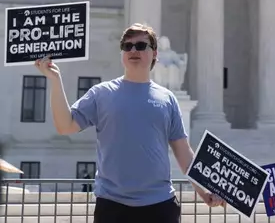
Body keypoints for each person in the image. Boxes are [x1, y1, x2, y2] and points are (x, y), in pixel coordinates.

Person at [34, 23, 224, 223]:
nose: (133, 50)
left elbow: (183, 153)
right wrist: (55, 80)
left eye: (141, 46)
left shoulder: (168, 98)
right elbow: (65, 126)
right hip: (112, 206)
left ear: (154, 53)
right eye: (127, 46)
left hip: (160, 206)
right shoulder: (101, 93)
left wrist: (203, 191)